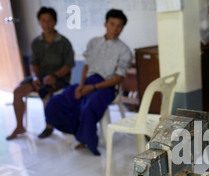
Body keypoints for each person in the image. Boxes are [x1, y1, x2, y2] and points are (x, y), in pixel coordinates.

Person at [44, 9, 132, 156]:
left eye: (119, 26)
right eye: (112, 24)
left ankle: (87, 141)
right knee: (56, 102)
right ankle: (78, 130)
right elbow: (86, 66)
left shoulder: (124, 50)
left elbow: (118, 78)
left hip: (107, 86)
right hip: (87, 81)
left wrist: (92, 88)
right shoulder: (94, 42)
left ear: (123, 28)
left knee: (90, 105)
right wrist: (81, 85)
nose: (115, 29)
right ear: (105, 24)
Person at [6, 7, 74, 140]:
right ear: (39, 22)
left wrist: (54, 76)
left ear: (55, 22)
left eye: (49, 21)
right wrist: (36, 77)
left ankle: (49, 125)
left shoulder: (64, 42)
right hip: (41, 76)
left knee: (45, 92)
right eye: (43, 21)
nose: (46, 24)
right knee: (18, 91)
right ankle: (20, 126)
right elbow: (33, 63)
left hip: (59, 77)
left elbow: (68, 65)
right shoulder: (36, 43)